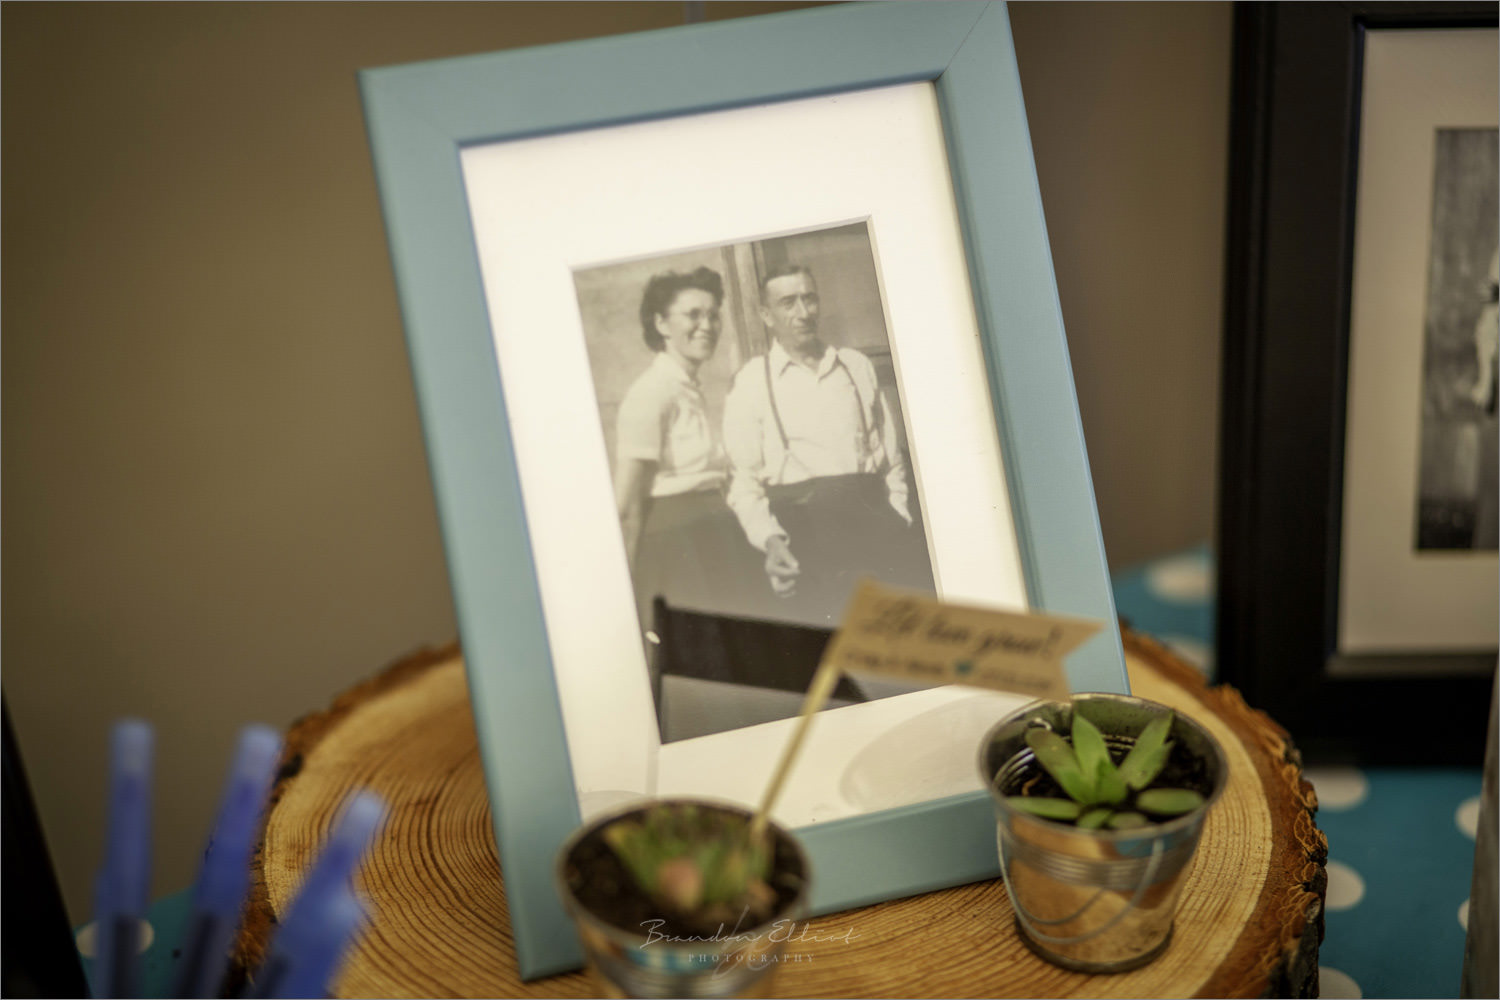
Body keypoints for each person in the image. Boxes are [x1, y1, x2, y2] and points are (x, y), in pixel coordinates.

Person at [721, 263, 934, 627]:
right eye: (788, 303)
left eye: (810, 299)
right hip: (806, 541)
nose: (803, 312)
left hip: (873, 532)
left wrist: (899, 513)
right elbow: (744, 483)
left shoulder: (854, 366)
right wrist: (771, 541)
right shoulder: (752, 381)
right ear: (766, 315)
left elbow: (890, 458)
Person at [613, 266, 754, 635]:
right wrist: (628, 592)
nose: (707, 325)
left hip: (711, 532)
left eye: (713, 315)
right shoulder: (651, 393)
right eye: (693, 314)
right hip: (677, 541)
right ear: (661, 323)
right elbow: (627, 507)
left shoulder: (688, 387)